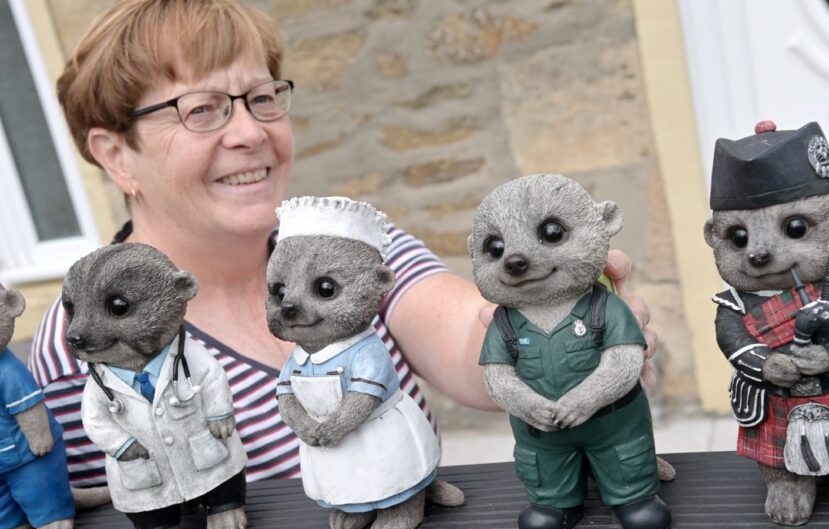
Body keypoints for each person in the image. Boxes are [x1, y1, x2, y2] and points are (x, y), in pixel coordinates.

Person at [30, 0, 658, 488]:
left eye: (261, 97)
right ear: (116, 156)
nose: (251, 130)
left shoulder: (350, 244)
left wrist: (558, 313)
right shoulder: (77, 346)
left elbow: (469, 336)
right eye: (203, 109)